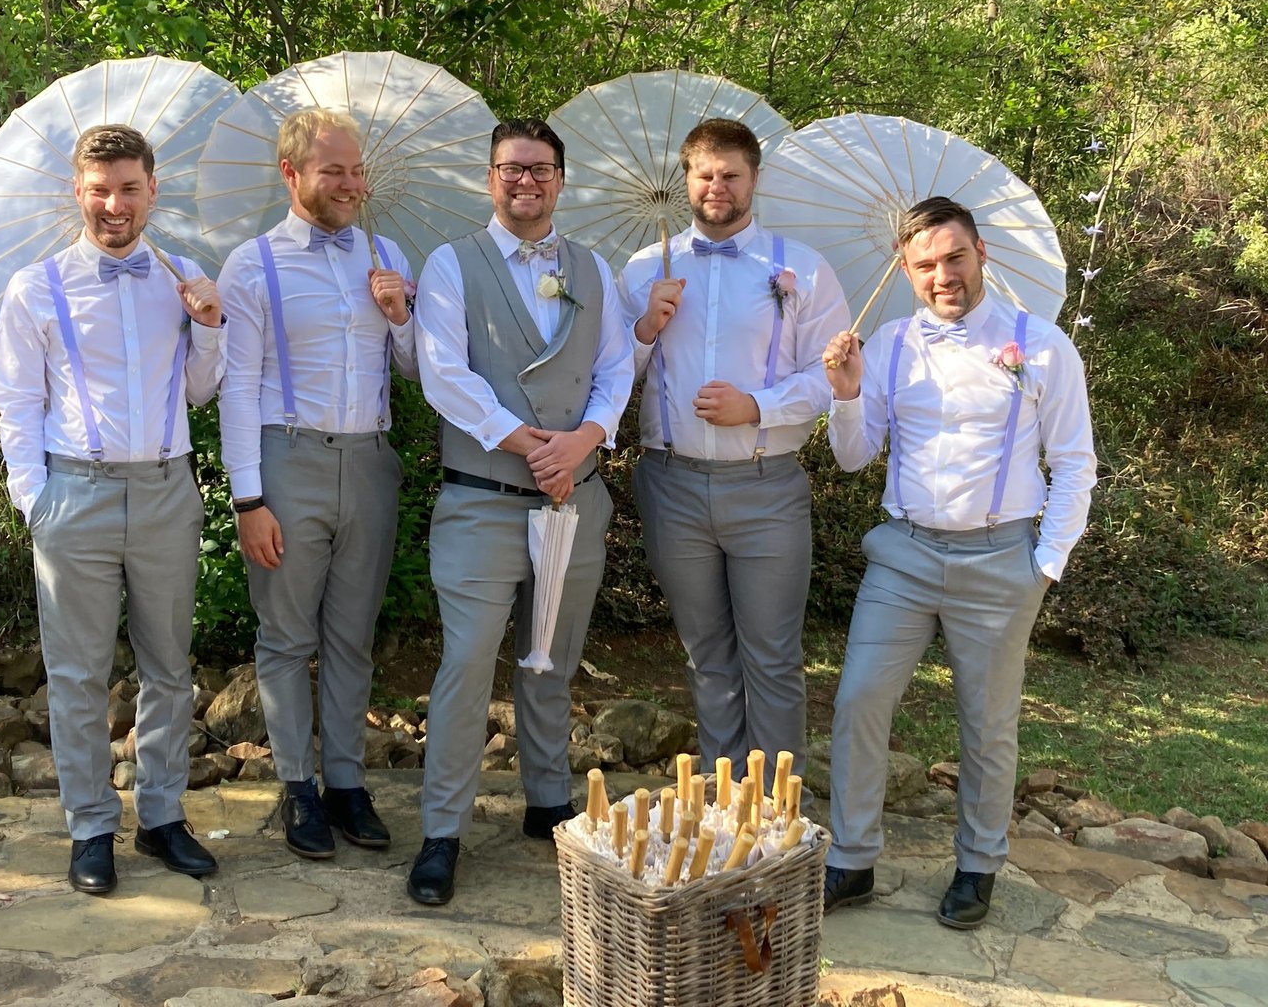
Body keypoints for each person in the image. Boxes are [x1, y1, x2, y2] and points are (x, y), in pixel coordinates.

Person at [819, 196, 1095, 929]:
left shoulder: (1041, 346)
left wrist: (1045, 563)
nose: (942, 275)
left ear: (981, 256)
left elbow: (1075, 463)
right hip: (903, 554)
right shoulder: (888, 344)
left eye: (954, 257)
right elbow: (854, 456)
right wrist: (845, 396)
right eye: (925, 265)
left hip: (1001, 561)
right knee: (859, 700)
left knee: (987, 722)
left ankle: (978, 865)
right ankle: (852, 858)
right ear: (905, 271)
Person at [0, 123, 225, 894]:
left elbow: (200, 392)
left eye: (128, 189)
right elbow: (16, 403)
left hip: (165, 491)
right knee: (78, 675)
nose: (114, 205)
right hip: (74, 495)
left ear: (152, 190)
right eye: (100, 190)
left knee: (168, 668)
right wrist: (36, 502)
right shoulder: (36, 287)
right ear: (78, 192)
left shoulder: (184, 277)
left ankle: (161, 818)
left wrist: (209, 328)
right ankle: (91, 827)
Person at [408, 118, 635, 904]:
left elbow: (615, 368)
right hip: (483, 501)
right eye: (511, 168)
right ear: (491, 178)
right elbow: (443, 371)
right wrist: (522, 441)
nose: (525, 181)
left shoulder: (593, 269)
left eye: (540, 169)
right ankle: (443, 831)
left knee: (551, 659)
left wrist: (585, 441)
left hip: (575, 497)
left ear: (561, 179)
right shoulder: (451, 264)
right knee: (467, 664)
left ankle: (546, 802)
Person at [621, 118, 849, 787]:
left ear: (754, 180)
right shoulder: (644, 268)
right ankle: (724, 803)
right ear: (685, 180)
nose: (716, 186)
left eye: (730, 175)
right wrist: (644, 327)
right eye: (704, 174)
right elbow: (607, 375)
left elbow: (831, 376)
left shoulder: (802, 269)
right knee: (706, 655)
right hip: (670, 484)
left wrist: (758, 406)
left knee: (772, 656)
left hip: (765, 486)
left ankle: (775, 809)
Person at [217, 108, 416, 860]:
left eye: (357, 170)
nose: (351, 184)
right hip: (287, 458)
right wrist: (248, 499)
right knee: (286, 636)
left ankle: (346, 784)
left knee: (352, 636)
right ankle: (297, 786)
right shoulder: (252, 265)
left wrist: (400, 315)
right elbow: (238, 388)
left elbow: (418, 370)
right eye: (334, 170)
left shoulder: (387, 253)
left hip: (369, 461)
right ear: (291, 173)